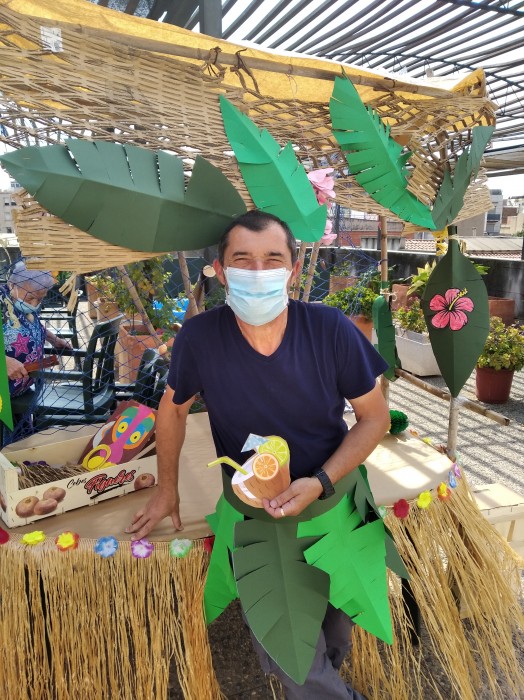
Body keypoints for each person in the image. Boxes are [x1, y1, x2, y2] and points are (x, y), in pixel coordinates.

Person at [126, 211, 390, 699]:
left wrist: (321, 481)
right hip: (256, 517)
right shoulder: (201, 337)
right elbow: (173, 410)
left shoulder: (330, 329)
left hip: (333, 503)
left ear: (293, 269)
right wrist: (167, 489)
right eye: (242, 259)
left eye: (272, 259)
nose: (258, 270)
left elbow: (375, 418)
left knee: (336, 627)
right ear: (221, 271)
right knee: (290, 646)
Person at [1, 261, 71, 398]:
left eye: (40, 299)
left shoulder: (19, 302)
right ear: (12, 285)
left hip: (25, 387)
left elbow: (31, 326)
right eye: (30, 298)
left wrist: (54, 339)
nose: (34, 304)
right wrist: (4, 361)